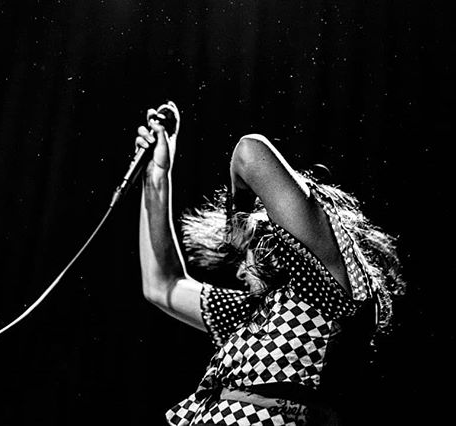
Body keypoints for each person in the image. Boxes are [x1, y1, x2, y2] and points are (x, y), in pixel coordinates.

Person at [136, 101, 405, 426]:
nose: (238, 270)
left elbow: (250, 153)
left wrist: (238, 221)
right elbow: (161, 284)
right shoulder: (249, 312)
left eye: (245, 252)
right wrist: (157, 176)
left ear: (270, 239)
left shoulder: (328, 295)